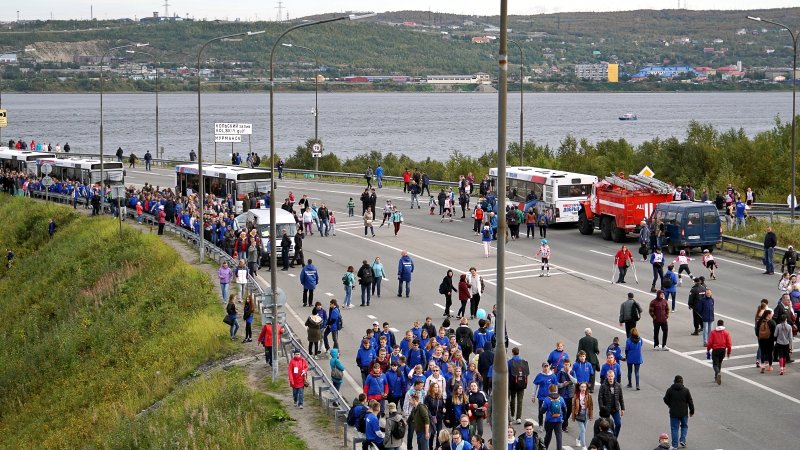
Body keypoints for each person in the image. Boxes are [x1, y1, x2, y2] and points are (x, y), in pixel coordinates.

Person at [663, 375, 694, 450]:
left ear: (674, 381)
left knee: (674, 428)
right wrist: (692, 410)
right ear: (682, 381)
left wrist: (670, 405)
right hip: (684, 412)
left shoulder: (670, 390)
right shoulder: (686, 390)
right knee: (684, 426)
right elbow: (690, 401)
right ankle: (682, 440)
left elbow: (665, 399)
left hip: (673, 413)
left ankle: (674, 446)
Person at [597, 370, 624, 438]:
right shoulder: (603, 386)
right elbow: (600, 398)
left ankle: (614, 438)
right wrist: (602, 407)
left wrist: (623, 408)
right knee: (606, 426)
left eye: (612, 376)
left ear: (614, 376)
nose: (610, 378)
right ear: (607, 376)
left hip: (615, 409)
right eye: (609, 376)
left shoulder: (618, 385)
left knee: (618, 424)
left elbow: (621, 398)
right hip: (606, 409)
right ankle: (606, 438)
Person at [706, 319, 732, 384]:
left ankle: (717, 373)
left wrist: (708, 349)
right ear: (723, 324)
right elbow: (729, 343)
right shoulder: (726, 332)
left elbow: (710, 342)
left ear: (717, 324)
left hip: (715, 350)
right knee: (719, 363)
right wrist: (728, 352)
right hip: (723, 350)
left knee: (715, 364)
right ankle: (716, 376)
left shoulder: (713, 332)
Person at [508, 347, 529, 424]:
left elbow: (507, 372)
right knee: (520, 401)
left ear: (512, 353)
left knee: (512, 399)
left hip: (513, 383)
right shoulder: (523, 362)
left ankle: (512, 415)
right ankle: (519, 417)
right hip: (522, 384)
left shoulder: (510, 362)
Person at [532, 362, 558, 429]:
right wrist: (533, 395)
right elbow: (535, 385)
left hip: (550, 397)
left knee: (549, 411)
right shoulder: (539, 375)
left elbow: (555, 386)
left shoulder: (553, 376)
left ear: (549, 367)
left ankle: (547, 425)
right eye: (544, 367)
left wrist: (556, 396)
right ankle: (540, 425)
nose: (546, 368)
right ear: (542, 367)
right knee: (541, 411)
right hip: (541, 397)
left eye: (547, 366)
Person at [541, 384, 567, 450]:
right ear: (556, 390)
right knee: (559, 437)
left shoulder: (547, 399)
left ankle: (545, 448)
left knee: (548, 435)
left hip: (549, 420)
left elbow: (542, 411)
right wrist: (563, 418)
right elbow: (565, 410)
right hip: (559, 420)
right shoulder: (561, 399)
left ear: (549, 390)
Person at [571, 382, 593, 448]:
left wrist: (590, 416)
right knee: (583, 430)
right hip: (579, 414)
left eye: (585, 387)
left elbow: (590, 406)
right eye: (582, 387)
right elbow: (573, 406)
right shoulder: (576, 396)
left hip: (586, 414)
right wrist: (573, 415)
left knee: (583, 430)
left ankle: (578, 439)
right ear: (579, 388)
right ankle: (584, 446)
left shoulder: (588, 395)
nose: (583, 388)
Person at [756, 309, 776, 373]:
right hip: (770, 340)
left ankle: (762, 365)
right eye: (771, 314)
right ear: (768, 315)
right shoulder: (772, 322)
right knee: (770, 353)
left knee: (763, 352)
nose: (772, 315)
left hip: (761, 339)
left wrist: (759, 337)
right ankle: (770, 366)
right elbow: (775, 333)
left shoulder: (760, 321)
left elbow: (757, 331)